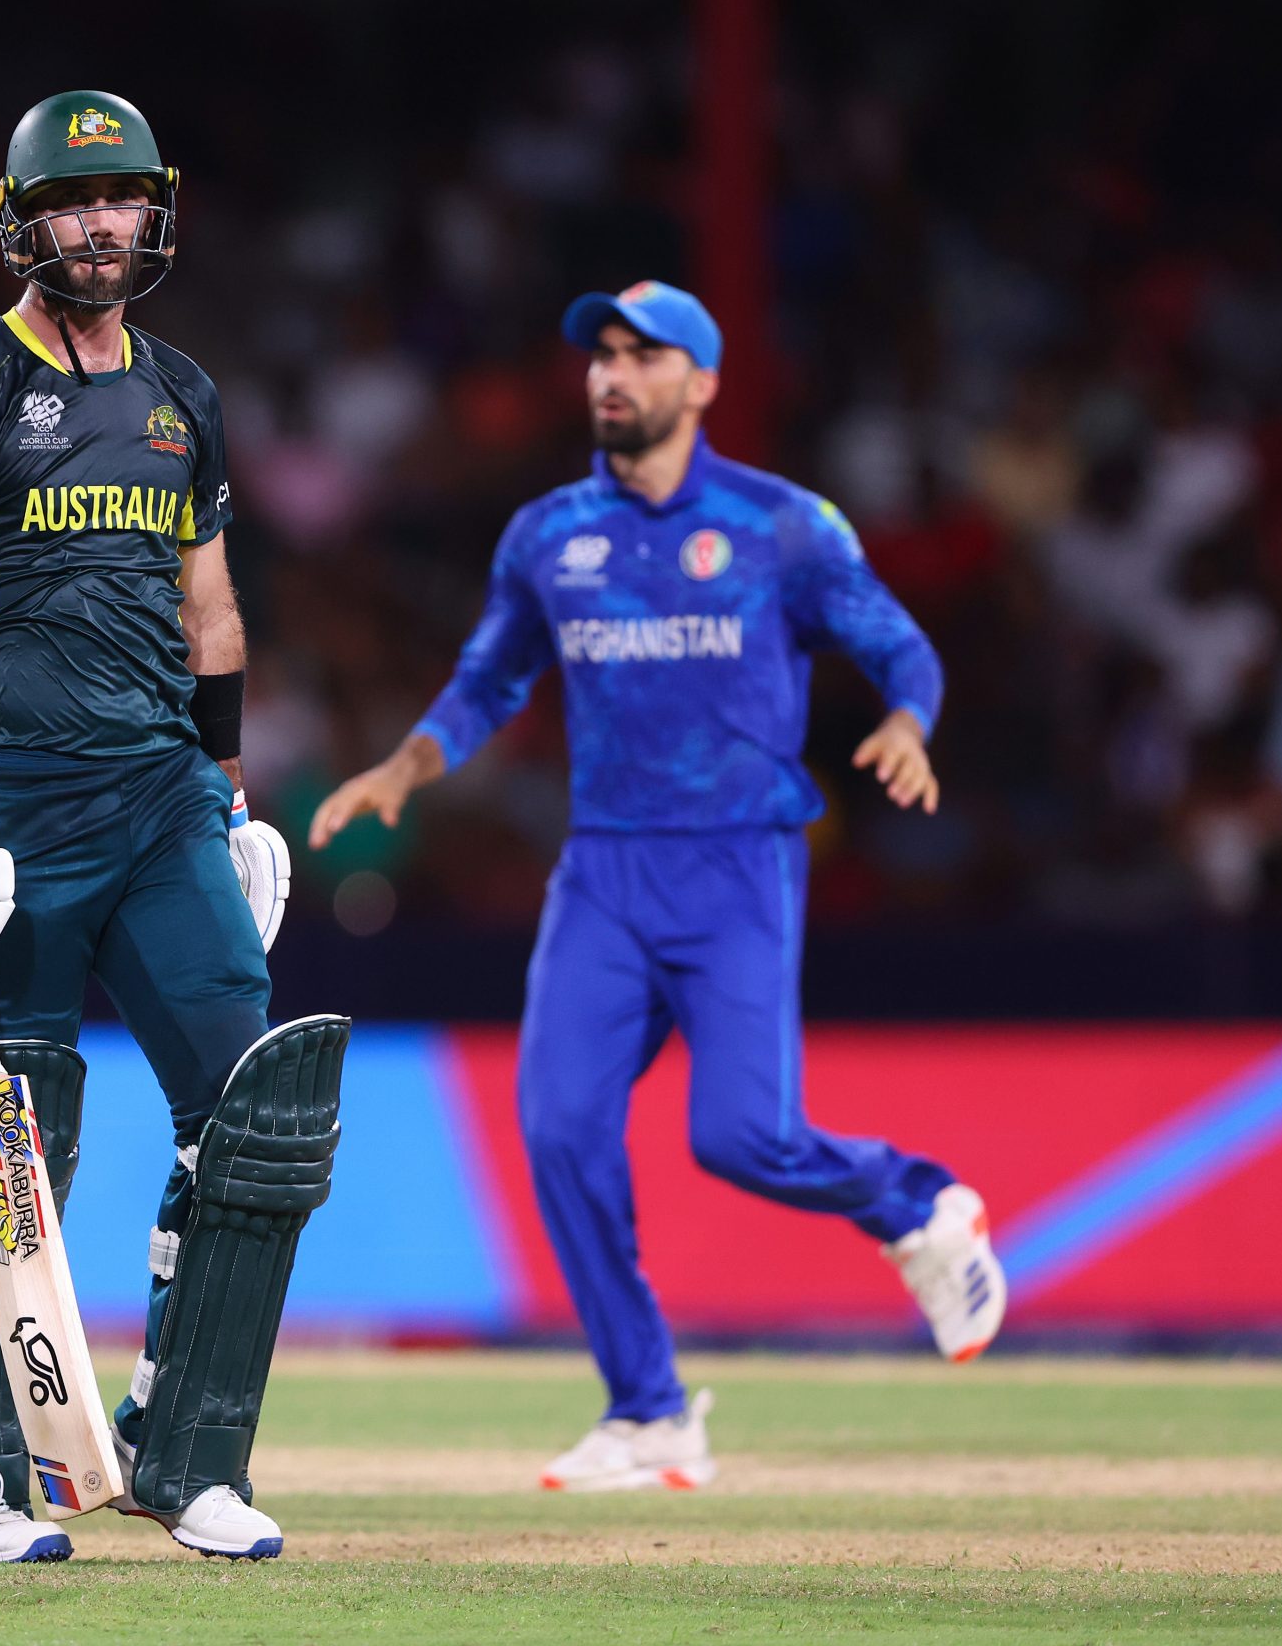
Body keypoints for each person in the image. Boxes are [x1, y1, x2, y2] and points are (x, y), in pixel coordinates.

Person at [310, 280, 1008, 1493]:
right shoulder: (546, 537)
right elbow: (489, 677)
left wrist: (907, 721)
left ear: (703, 384)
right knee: (560, 1128)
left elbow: (899, 644)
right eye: (601, 355)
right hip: (604, 874)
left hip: (737, 864)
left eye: (643, 356)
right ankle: (648, 1411)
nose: (610, 375)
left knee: (741, 1138)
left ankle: (916, 1205)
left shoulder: (779, 524)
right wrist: (406, 766)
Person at [0, 90, 329, 1566]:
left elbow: (212, 612)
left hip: (163, 804)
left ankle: (188, 1458)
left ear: (159, 209)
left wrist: (234, 790)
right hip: (15, 807)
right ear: (21, 219)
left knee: (260, 1115)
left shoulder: (185, 395)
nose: (100, 224)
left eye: (124, 197)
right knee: (0, 1141)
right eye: (73, 202)